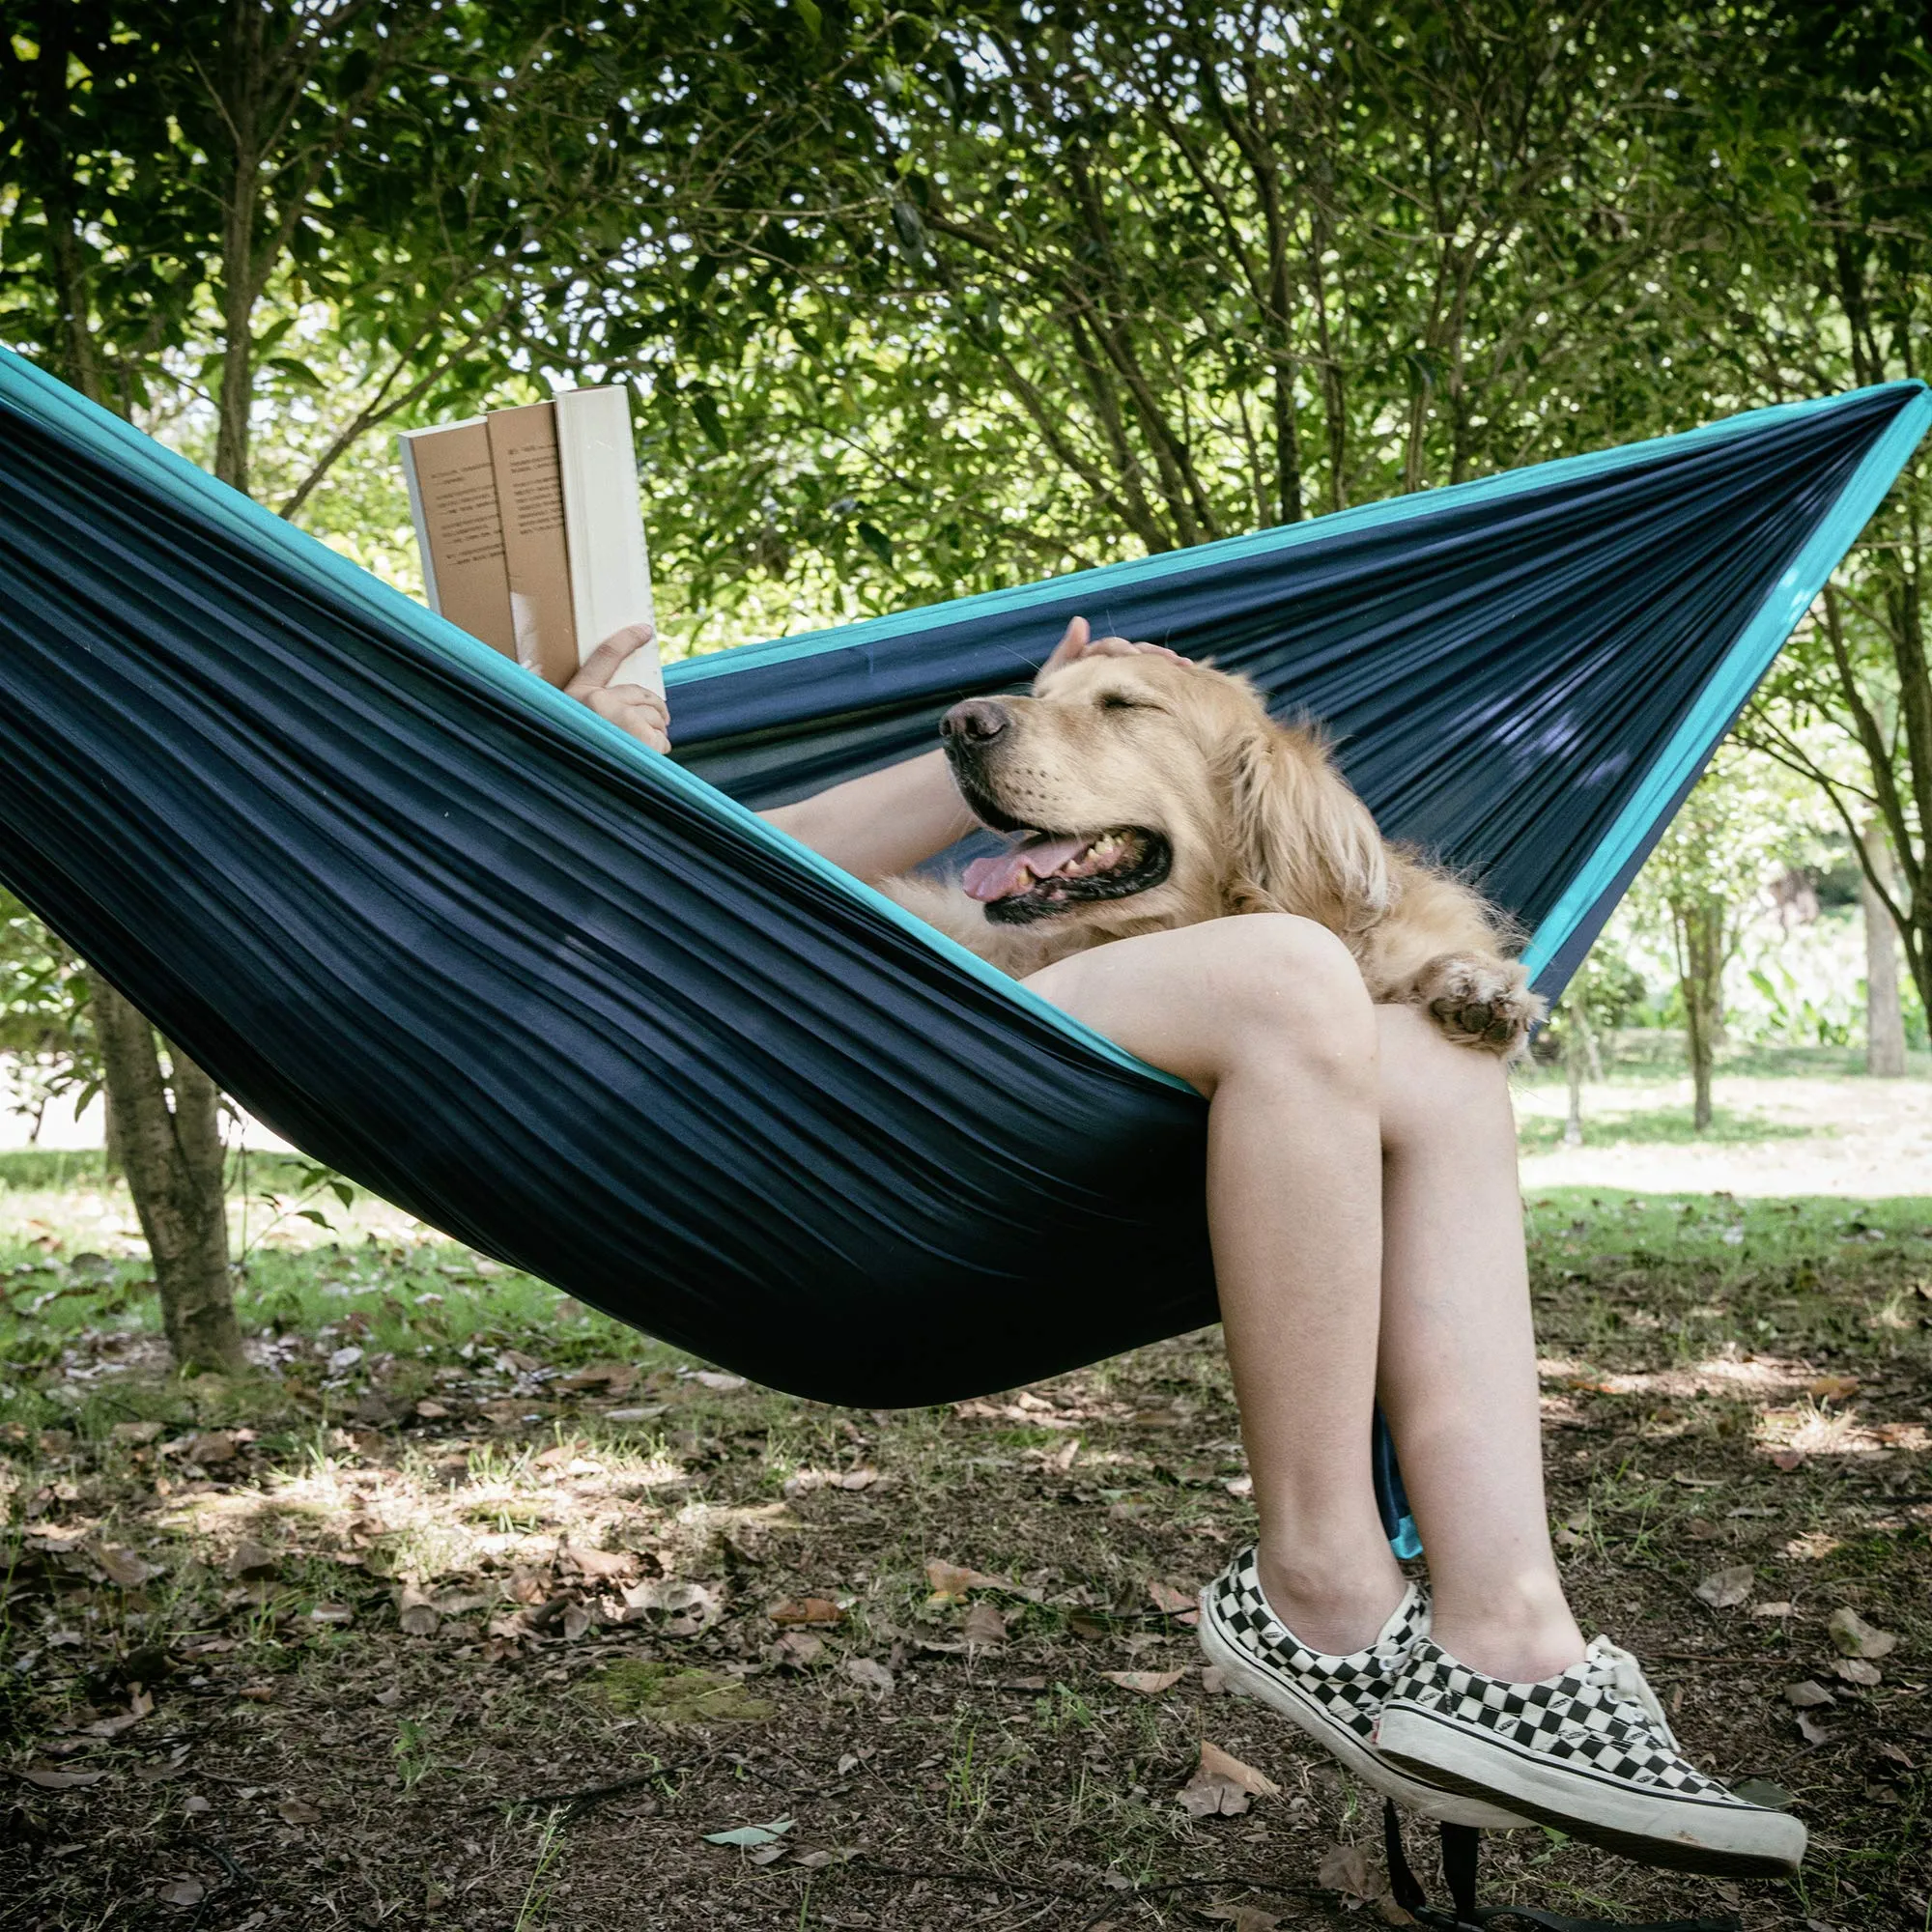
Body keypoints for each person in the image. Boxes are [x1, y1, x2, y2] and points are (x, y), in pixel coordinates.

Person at [565, 618, 1804, 1879]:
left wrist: (1046, 733)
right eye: (1056, 708)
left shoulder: (1288, 894)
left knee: (1440, 1063)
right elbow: (742, 900)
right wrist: (603, 777)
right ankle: (1320, 1587)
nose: (1002, 723)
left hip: (1218, 1057)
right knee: (1287, 967)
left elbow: (1378, 930)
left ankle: (1509, 1637)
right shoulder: (989, 933)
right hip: (910, 1143)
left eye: (1117, 710)